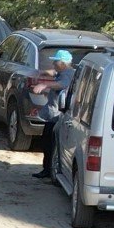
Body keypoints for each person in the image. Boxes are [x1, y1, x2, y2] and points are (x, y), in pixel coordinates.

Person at [32, 49, 76, 181]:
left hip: (56, 117)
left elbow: (62, 84)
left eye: (55, 62)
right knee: (47, 144)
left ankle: (49, 171)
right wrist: (43, 73)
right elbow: (54, 73)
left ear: (63, 63)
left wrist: (44, 84)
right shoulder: (65, 71)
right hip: (52, 115)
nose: (53, 64)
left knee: (49, 145)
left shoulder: (67, 75)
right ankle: (47, 169)